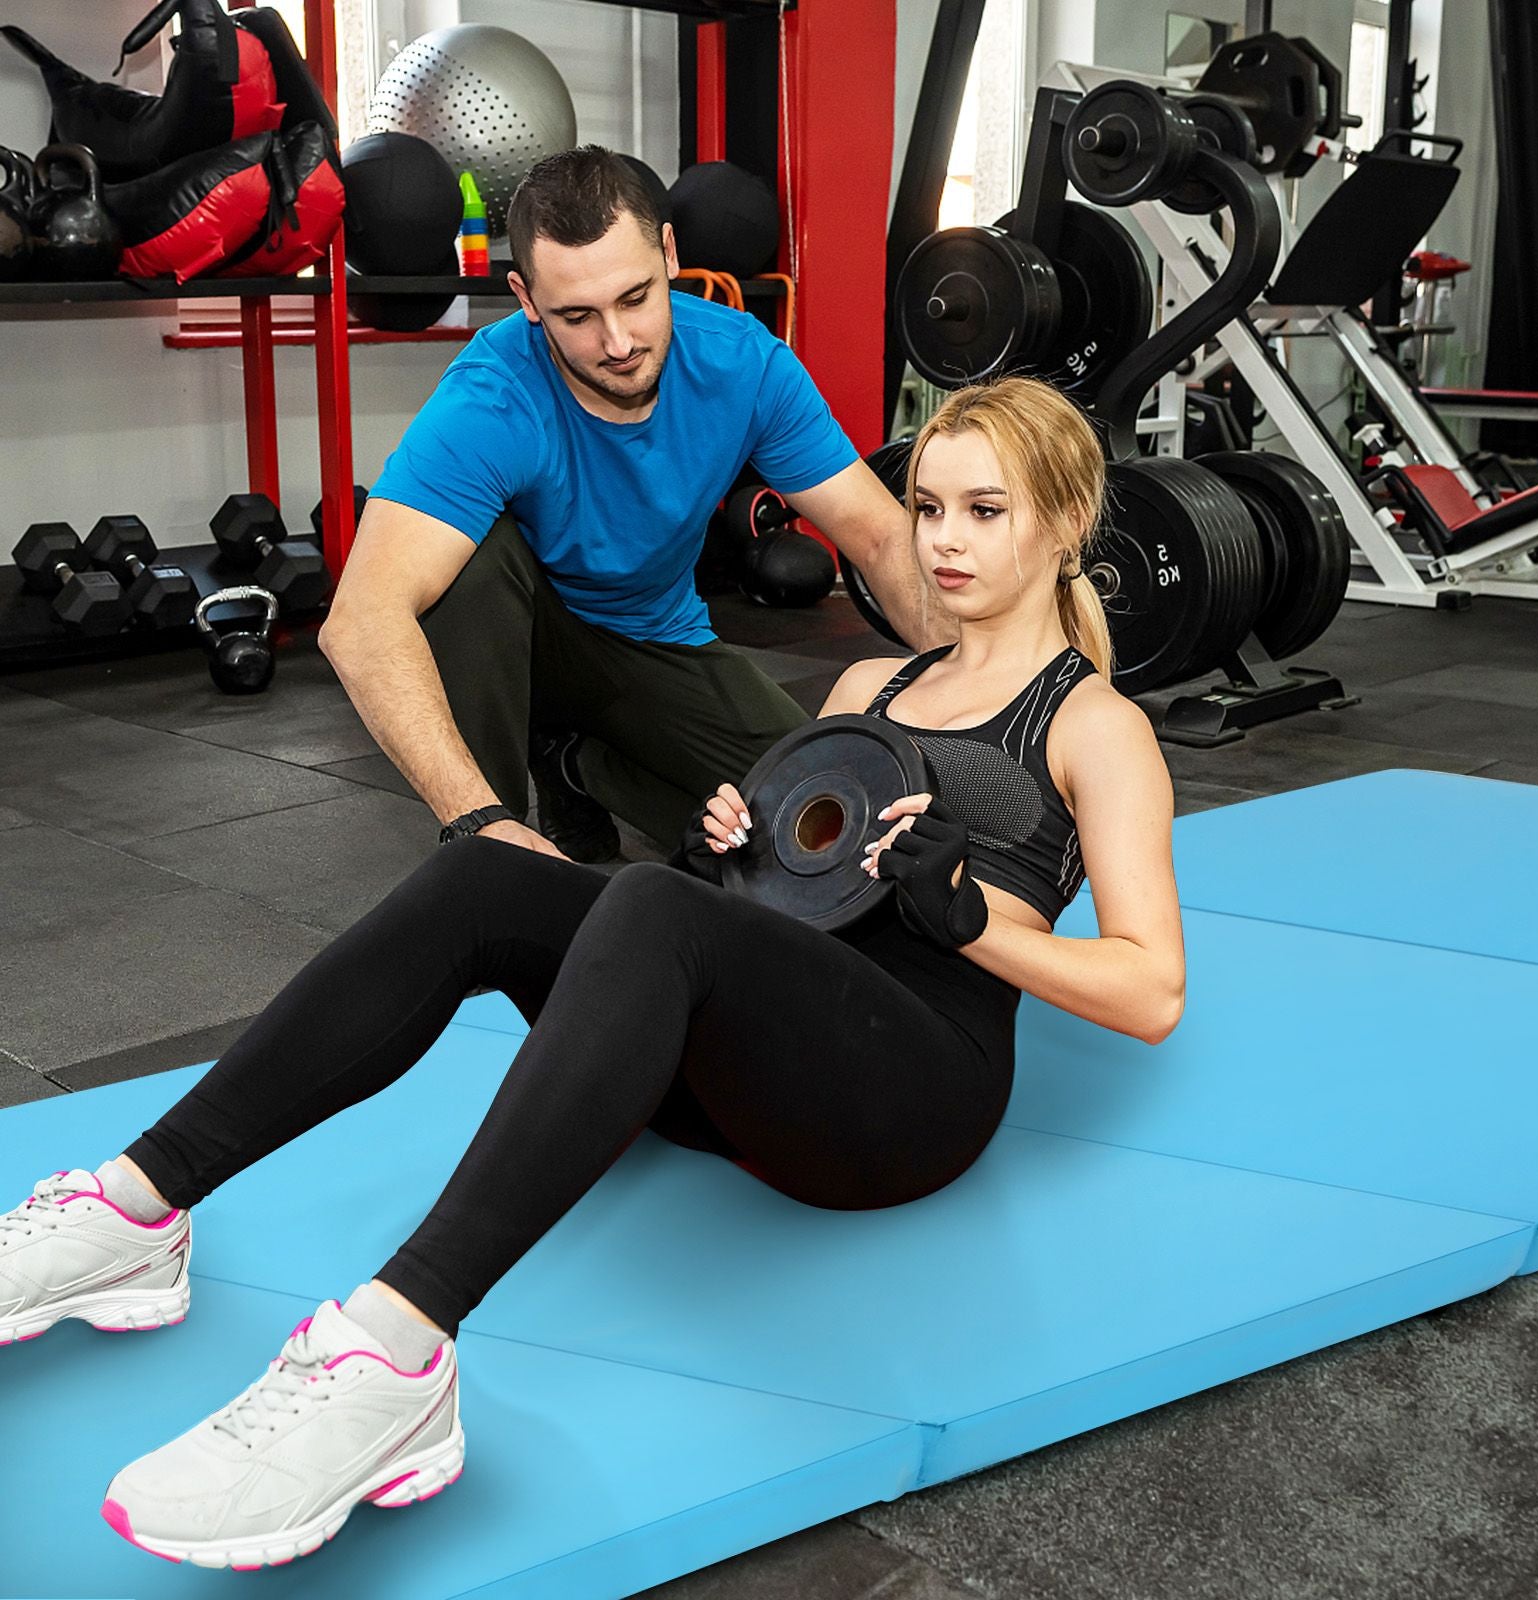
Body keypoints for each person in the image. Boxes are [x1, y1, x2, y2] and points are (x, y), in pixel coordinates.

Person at [0, 377, 1184, 1573]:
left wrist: (970, 917)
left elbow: (1151, 992)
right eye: (928, 507)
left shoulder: (1093, 727)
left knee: (651, 906)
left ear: (1065, 523)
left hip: (909, 1099)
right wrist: (731, 848)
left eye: (984, 510)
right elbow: (770, 908)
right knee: (495, 875)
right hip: (764, 1076)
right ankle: (134, 1207)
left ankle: (395, 1351)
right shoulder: (864, 690)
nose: (943, 539)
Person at [322, 144, 936, 866]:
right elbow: (360, 621)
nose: (617, 343)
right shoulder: (491, 397)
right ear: (524, 299)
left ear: (669, 253)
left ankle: (578, 765)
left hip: (654, 640)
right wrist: (474, 816)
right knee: (462, 564)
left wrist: (995, 705)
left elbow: (881, 538)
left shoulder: (744, 364)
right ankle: (494, 857)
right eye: (576, 315)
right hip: (522, 642)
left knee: (808, 827)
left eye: (635, 298)